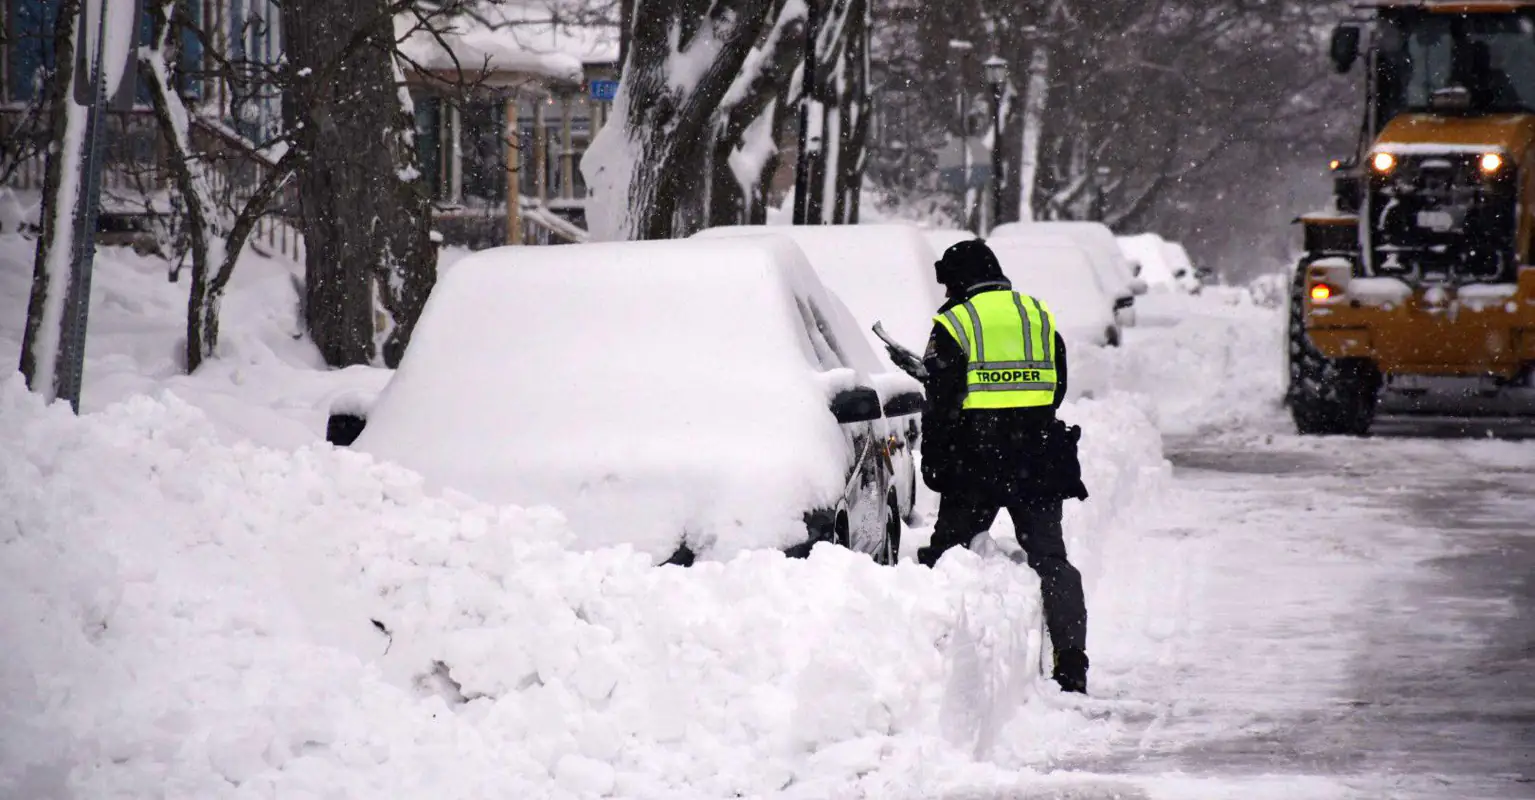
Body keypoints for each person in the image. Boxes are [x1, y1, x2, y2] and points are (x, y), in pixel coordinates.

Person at [893, 238, 1091, 694]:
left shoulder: (954, 322)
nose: (946, 296)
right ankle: (1071, 663)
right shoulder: (1035, 315)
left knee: (951, 558)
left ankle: (941, 661)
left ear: (960, 280)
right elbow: (1056, 386)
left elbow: (942, 404)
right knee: (1051, 561)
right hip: (1038, 458)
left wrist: (937, 462)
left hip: (974, 463)